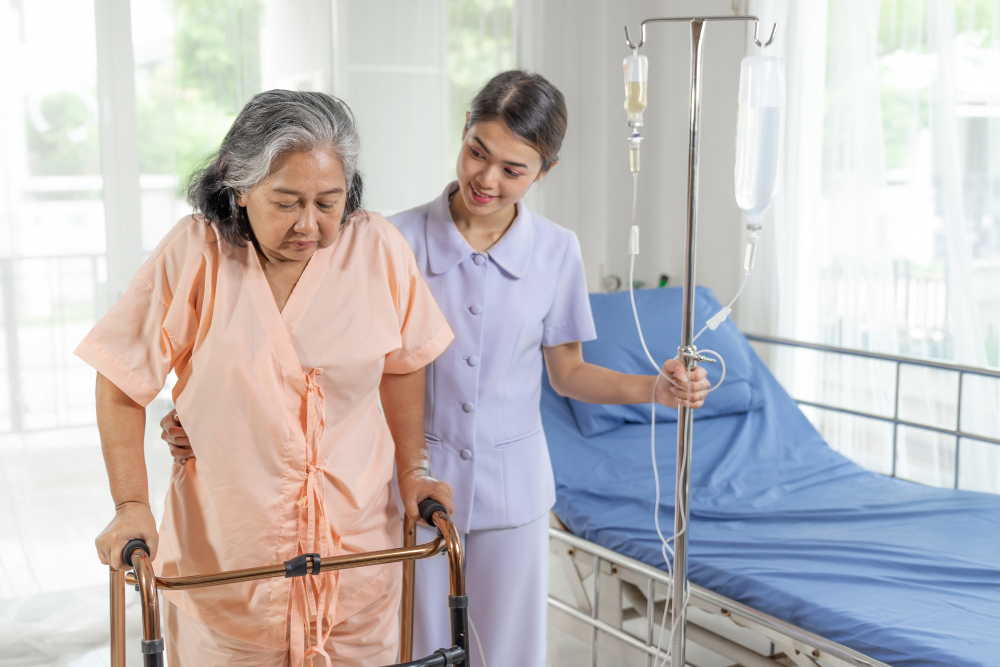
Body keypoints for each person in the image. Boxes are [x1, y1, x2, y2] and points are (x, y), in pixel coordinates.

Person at [164, 72, 710, 667]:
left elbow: (568, 374)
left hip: (514, 486)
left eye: (513, 168)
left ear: (544, 172)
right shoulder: (387, 237)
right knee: (415, 648)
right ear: (464, 135)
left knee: (508, 652)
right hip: (401, 486)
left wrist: (653, 389)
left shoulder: (558, 251)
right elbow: (299, 352)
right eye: (478, 151)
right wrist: (211, 414)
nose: (487, 178)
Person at [77, 90, 455, 667]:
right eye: (287, 202)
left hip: (357, 560)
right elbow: (122, 380)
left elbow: (403, 365)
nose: (311, 224)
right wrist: (131, 504)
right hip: (231, 564)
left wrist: (413, 471)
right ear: (238, 187)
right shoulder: (195, 254)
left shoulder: (375, 247)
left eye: (329, 201)